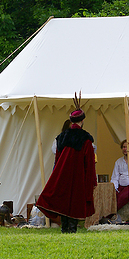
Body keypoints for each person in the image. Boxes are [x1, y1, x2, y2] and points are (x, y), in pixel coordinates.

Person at [36, 98, 97, 233]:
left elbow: (57, 160)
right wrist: (91, 180)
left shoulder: (61, 137)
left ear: (71, 121)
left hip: (62, 175)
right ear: (82, 121)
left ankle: (64, 228)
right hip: (78, 176)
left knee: (63, 200)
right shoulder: (86, 139)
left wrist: (55, 177)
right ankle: (72, 228)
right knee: (75, 201)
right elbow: (89, 162)